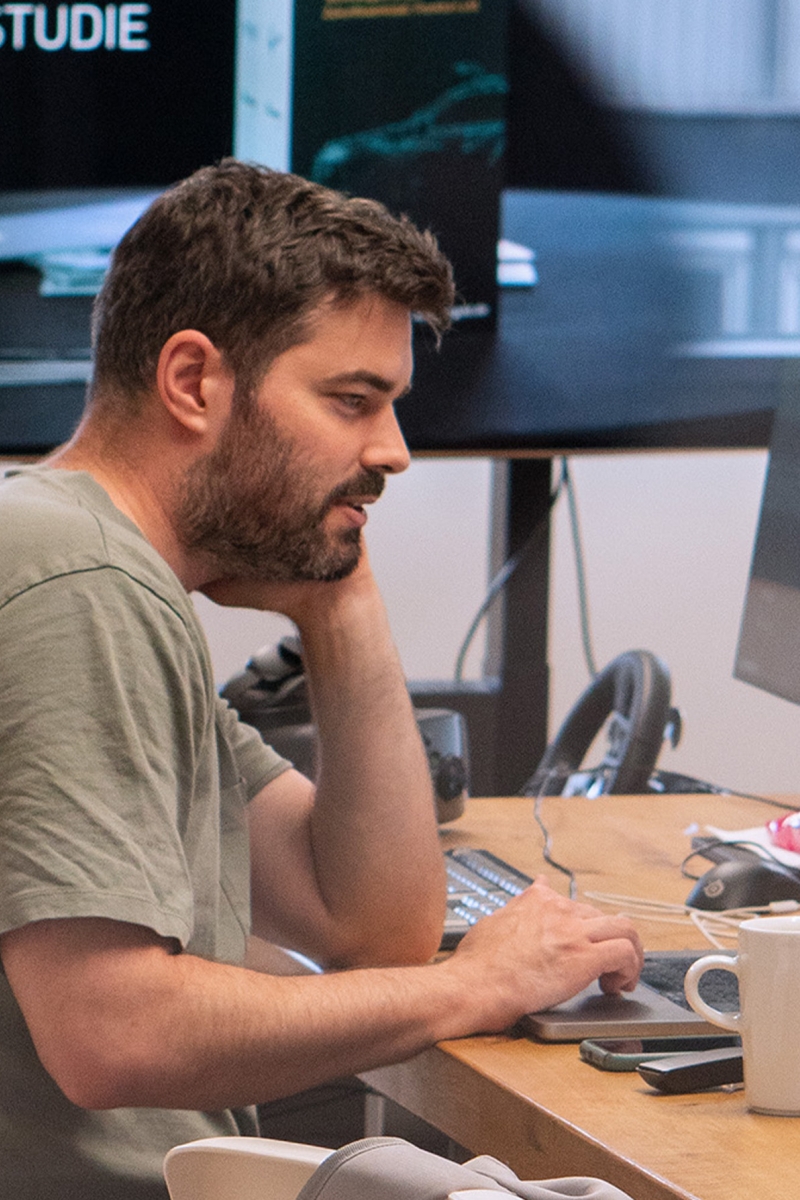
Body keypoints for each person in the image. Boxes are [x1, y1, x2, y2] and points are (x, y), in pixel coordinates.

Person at [0, 159, 643, 1199]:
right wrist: (474, 986)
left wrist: (340, 602)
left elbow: (368, 923)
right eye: (353, 401)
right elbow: (111, 1033)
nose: (391, 452)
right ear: (192, 381)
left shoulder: (101, 570)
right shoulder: (76, 583)